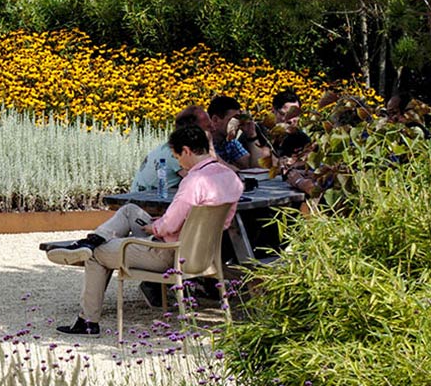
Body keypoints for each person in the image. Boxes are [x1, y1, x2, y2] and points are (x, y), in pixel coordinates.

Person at [49, 122, 243, 337]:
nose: (178, 161)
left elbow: (169, 225)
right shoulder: (230, 177)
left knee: (96, 255)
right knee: (130, 210)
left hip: (168, 255)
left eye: (177, 156)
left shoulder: (194, 181)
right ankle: (93, 239)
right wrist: (161, 224)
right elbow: (209, 221)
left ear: (186, 151)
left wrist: (155, 226)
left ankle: (87, 321)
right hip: (202, 253)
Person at [131, 105, 212, 194]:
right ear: (193, 132)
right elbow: (203, 182)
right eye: (208, 127)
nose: (213, 129)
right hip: (146, 201)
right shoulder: (177, 152)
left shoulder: (175, 146)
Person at [207, 94, 271, 169]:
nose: (237, 123)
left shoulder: (230, 142)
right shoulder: (201, 141)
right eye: (233, 119)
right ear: (215, 120)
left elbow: (257, 167)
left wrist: (252, 135)